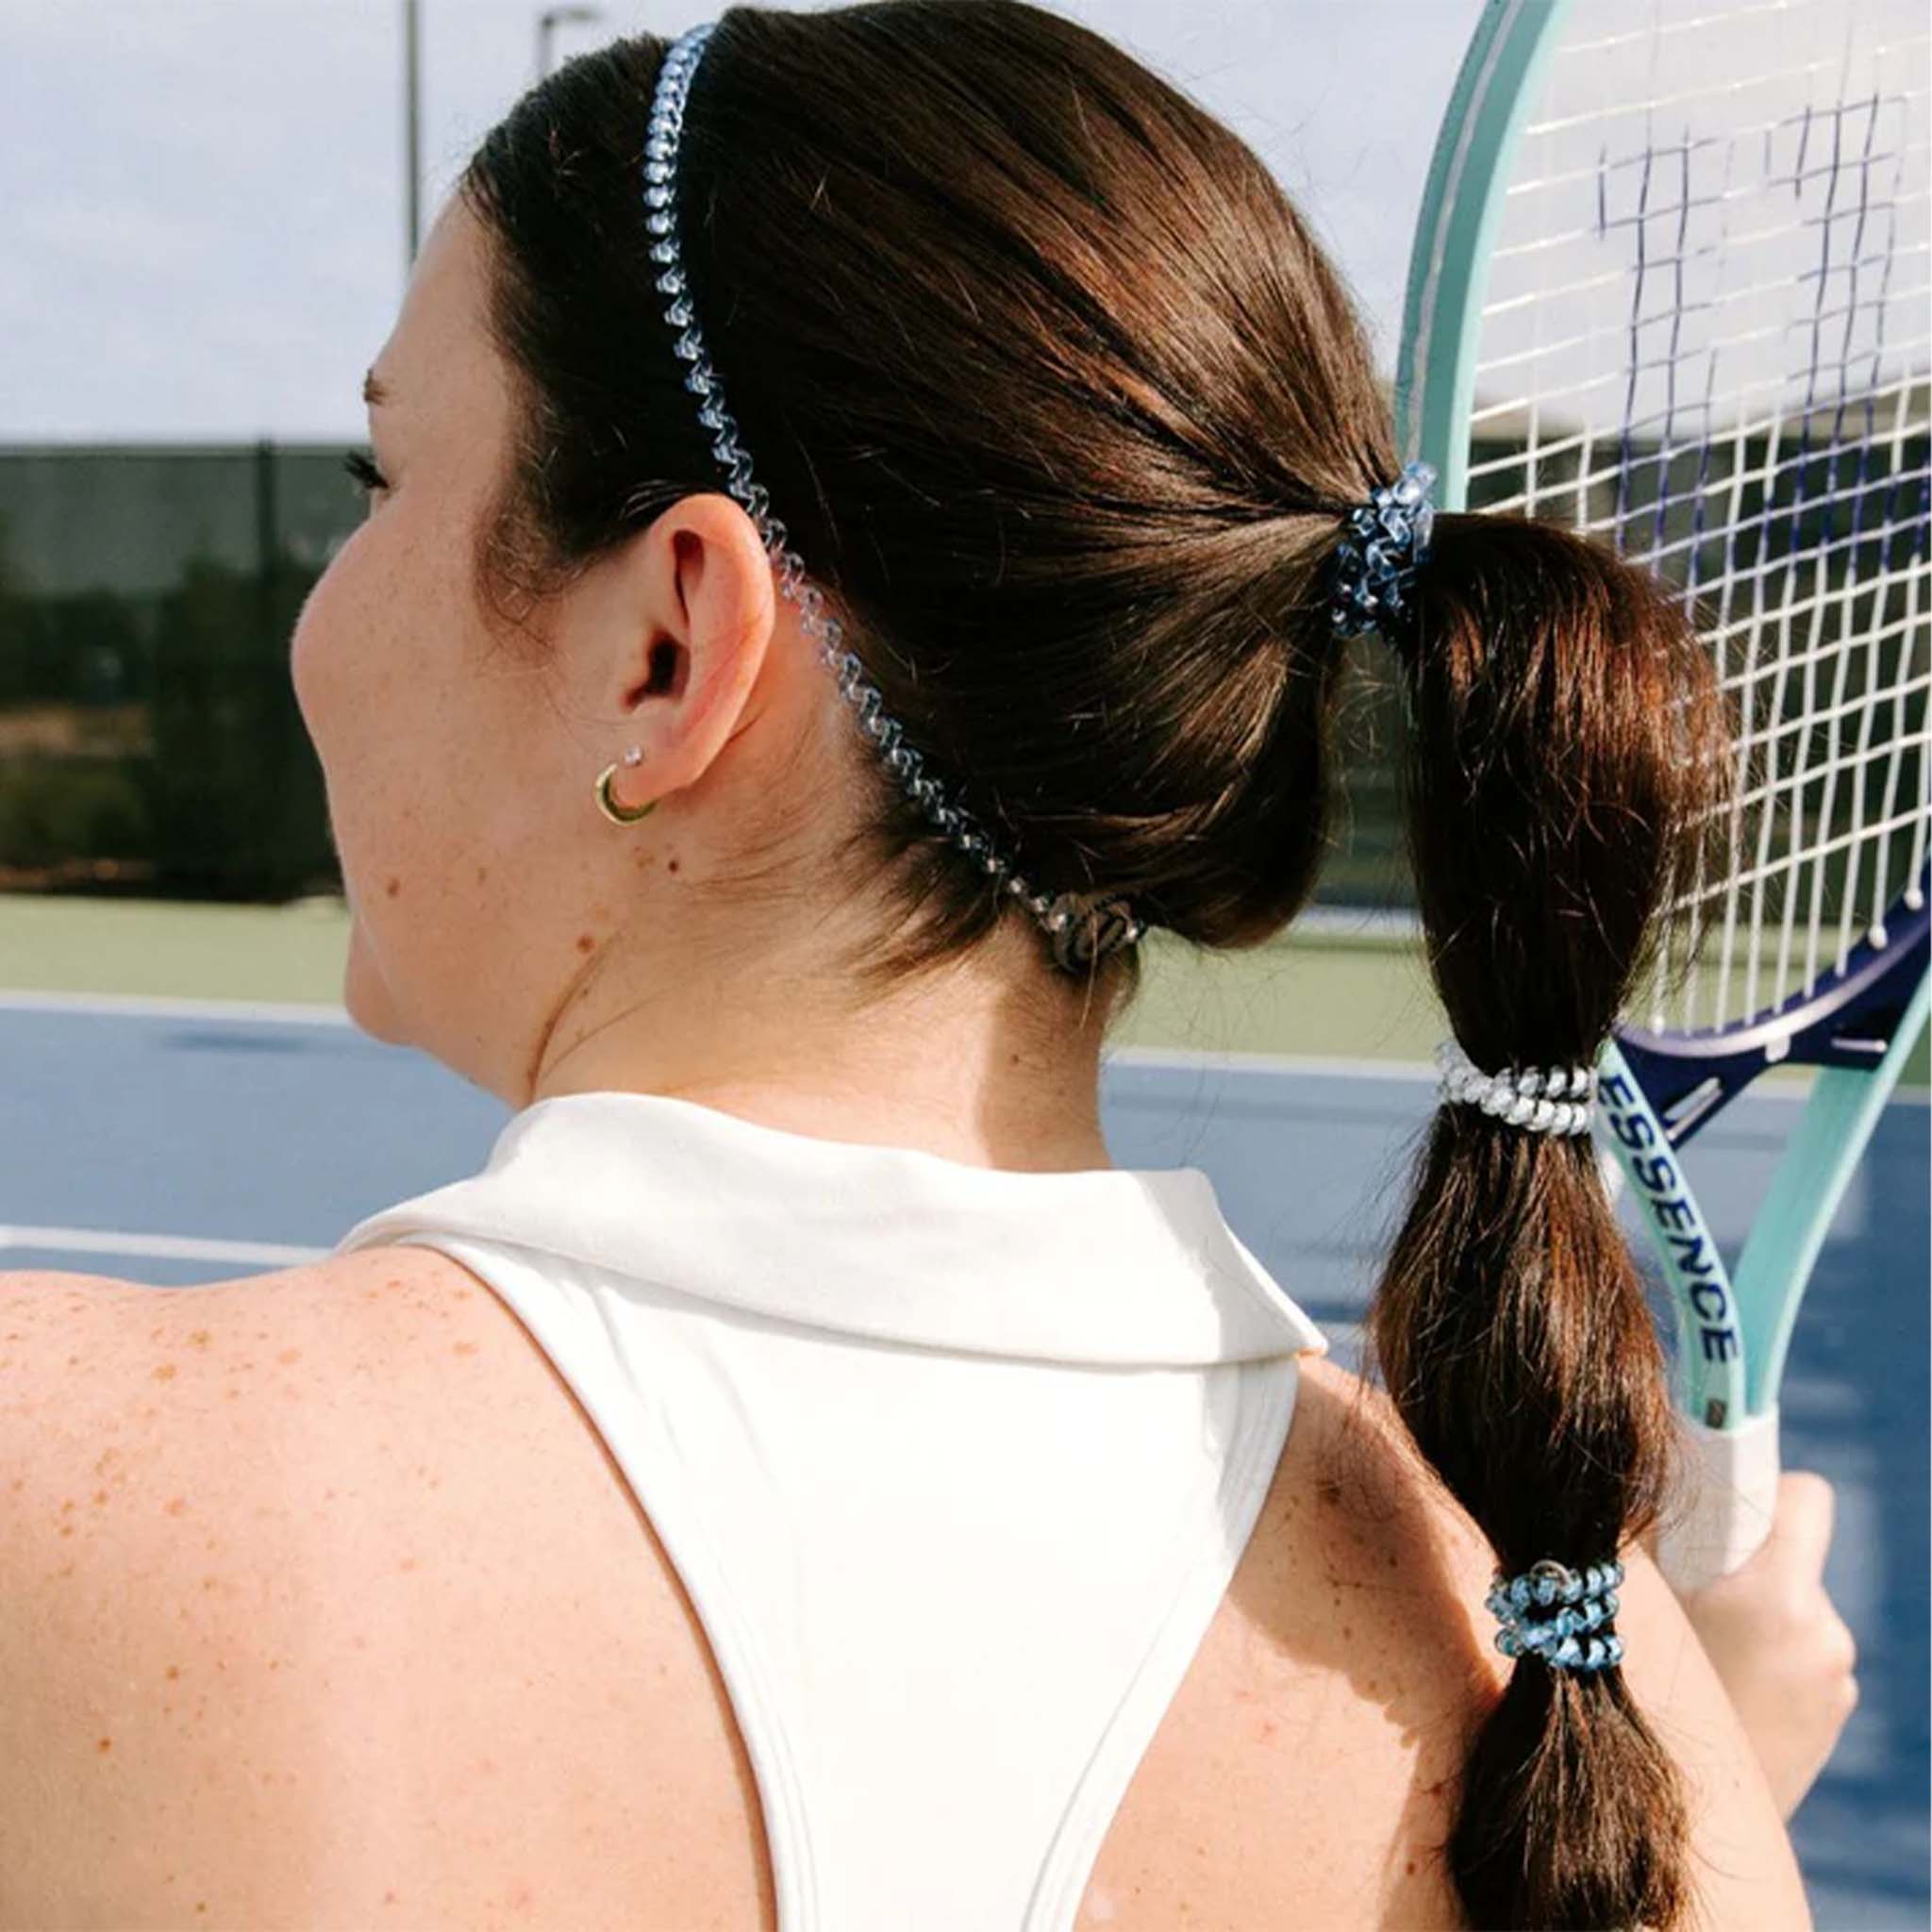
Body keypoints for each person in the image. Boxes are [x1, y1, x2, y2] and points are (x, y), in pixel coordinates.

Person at [0, 3, 1857, 1926]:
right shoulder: (1569, 1717)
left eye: (383, 479)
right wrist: (1712, 1810)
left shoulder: (66, 1506)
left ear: (669, 646)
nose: (321, 607)